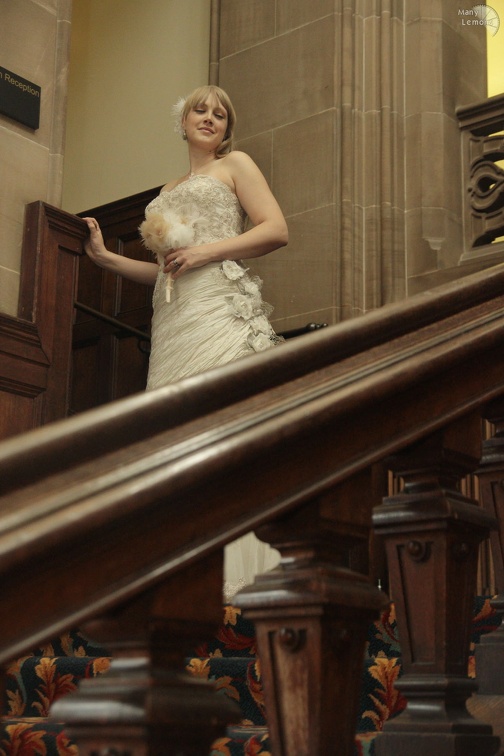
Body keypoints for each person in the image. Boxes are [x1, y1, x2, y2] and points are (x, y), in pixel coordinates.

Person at [83, 84, 288, 600]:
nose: (210, 118)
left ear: (227, 129)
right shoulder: (169, 187)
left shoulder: (235, 165)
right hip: (173, 319)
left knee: (218, 426)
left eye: (220, 114)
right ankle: (180, 570)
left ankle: (237, 577)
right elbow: (164, 271)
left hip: (217, 307)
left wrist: (205, 253)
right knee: (171, 434)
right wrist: (105, 258)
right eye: (201, 110)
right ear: (183, 121)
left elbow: (276, 230)